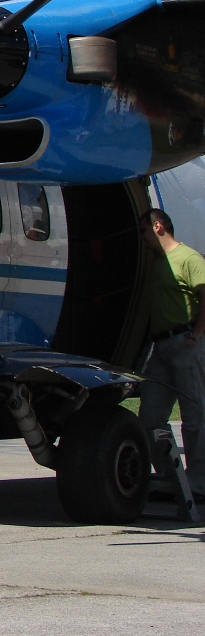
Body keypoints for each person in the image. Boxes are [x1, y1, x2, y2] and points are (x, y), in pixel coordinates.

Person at [138, 208, 205, 503]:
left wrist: (197, 334)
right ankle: (171, 478)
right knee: (150, 417)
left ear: (157, 227)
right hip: (161, 346)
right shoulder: (157, 263)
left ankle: (200, 482)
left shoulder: (188, 259)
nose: (142, 238)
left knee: (194, 416)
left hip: (184, 341)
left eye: (143, 231)